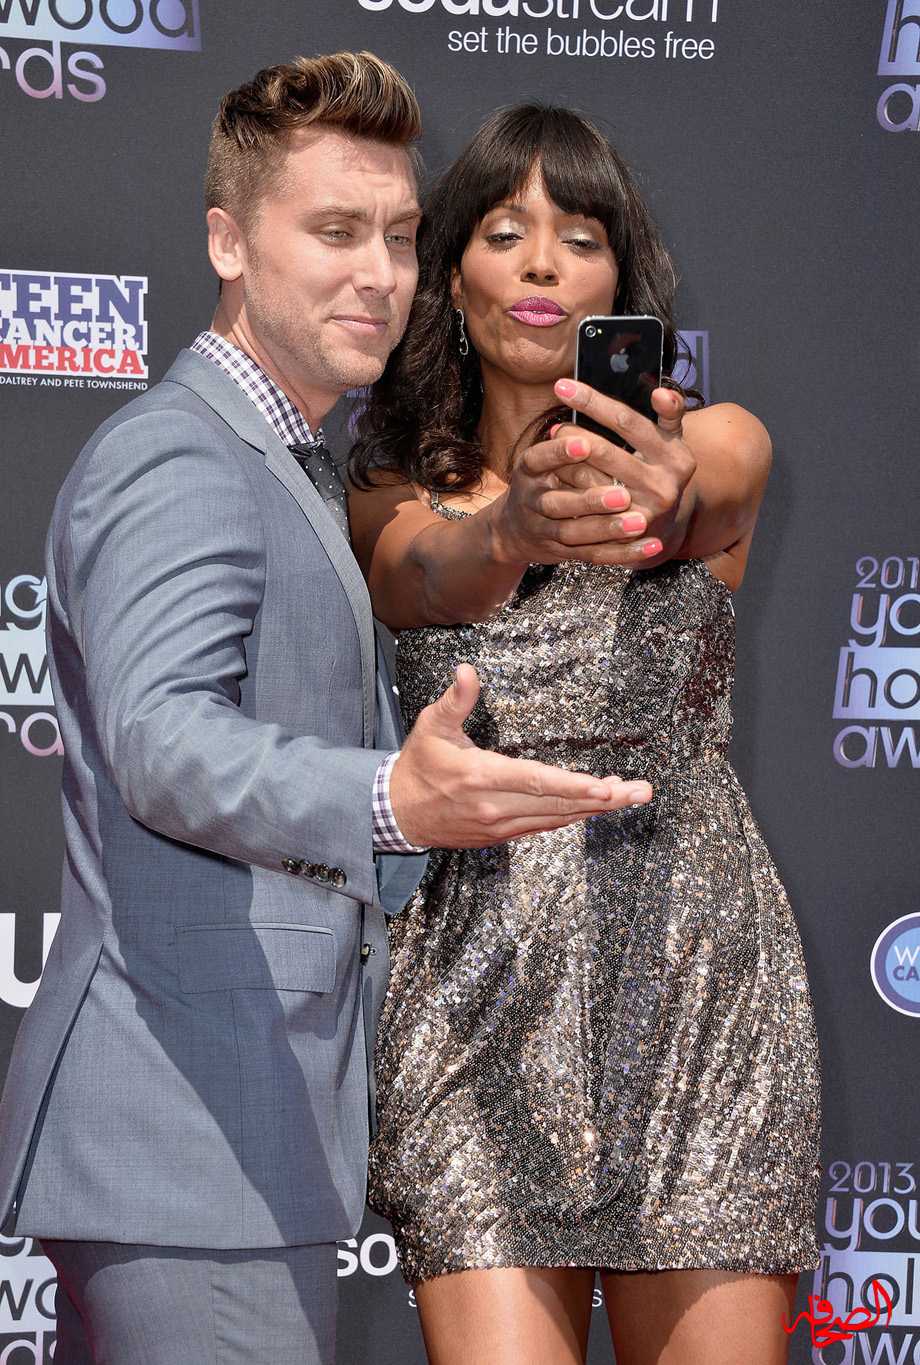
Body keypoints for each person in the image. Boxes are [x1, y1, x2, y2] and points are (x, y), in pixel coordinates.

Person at [0, 63, 655, 1365]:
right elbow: (161, 741)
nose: (379, 275)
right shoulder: (180, 454)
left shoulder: (287, 464)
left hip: (239, 1144)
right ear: (228, 242)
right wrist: (388, 798)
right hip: (187, 1144)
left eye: (400, 237)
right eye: (335, 231)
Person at [348, 104, 823, 1365]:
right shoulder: (386, 493)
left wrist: (645, 497)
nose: (544, 264)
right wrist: (512, 529)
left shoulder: (718, 440)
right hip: (480, 997)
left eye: (580, 236)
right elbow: (424, 575)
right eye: (505, 232)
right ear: (452, 276)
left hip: (696, 984)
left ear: (620, 281)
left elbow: (690, 498)